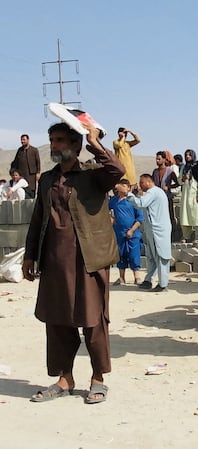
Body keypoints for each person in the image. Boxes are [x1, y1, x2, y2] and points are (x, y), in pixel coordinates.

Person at [23, 122, 124, 404]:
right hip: (55, 262)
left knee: (93, 320)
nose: (54, 145)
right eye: (52, 140)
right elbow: (37, 219)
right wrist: (30, 256)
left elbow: (118, 171)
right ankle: (64, 378)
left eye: (60, 140)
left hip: (89, 260)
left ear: (75, 146)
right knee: (57, 320)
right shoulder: (47, 180)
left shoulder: (93, 175)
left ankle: (98, 379)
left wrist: (95, 141)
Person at [127, 174, 172, 292]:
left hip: (158, 231)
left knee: (161, 256)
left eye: (142, 183)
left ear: (148, 182)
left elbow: (140, 204)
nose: (140, 185)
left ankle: (162, 284)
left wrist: (129, 194)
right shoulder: (154, 193)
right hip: (152, 230)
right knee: (151, 257)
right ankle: (148, 280)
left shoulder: (153, 192)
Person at [109, 179, 143, 285]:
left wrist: (132, 230)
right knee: (120, 255)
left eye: (126, 186)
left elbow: (140, 218)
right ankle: (121, 277)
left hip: (133, 233)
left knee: (134, 255)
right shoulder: (114, 200)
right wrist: (111, 218)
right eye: (122, 185)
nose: (124, 187)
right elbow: (104, 210)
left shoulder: (133, 200)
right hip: (119, 232)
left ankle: (137, 277)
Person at [152, 151, 180, 239]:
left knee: (170, 216)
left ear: (164, 159)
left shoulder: (170, 171)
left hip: (167, 197)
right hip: (157, 200)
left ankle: (172, 236)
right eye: (156, 159)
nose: (157, 160)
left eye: (159, 159)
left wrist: (169, 186)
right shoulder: (155, 171)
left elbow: (178, 183)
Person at [178, 149, 198, 242]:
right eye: (186, 155)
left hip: (195, 194)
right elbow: (179, 181)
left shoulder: (197, 167)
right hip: (185, 194)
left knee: (196, 216)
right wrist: (183, 178)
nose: (187, 157)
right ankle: (186, 236)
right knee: (185, 215)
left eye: (189, 155)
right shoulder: (183, 168)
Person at [11, 133, 40, 198]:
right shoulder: (19, 150)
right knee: (22, 190)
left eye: (24, 139)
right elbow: (15, 162)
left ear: (28, 140)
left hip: (32, 175)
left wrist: (38, 172)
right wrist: (13, 172)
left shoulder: (34, 150)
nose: (22, 141)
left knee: (32, 190)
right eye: (21, 140)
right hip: (22, 175)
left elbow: (38, 162)